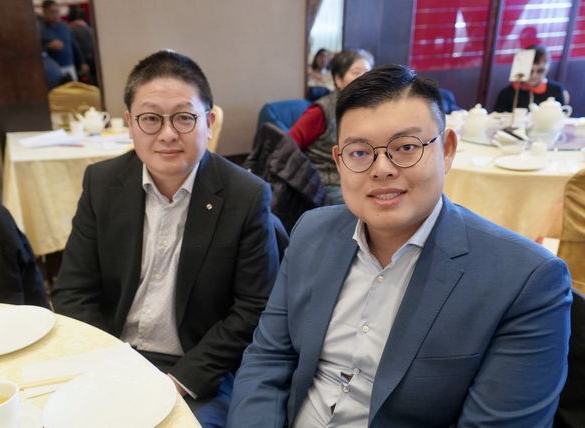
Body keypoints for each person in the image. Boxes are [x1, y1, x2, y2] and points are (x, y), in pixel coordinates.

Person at [228, 64, 572, 427]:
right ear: (339, 162)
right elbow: (269, 357)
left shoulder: (526, 281)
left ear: (447, 149)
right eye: (359, 153)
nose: (382, 169)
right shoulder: (311, 231)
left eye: (406, 147)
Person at [52, 50, 283, 423]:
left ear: (208, 122)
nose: (168, 134)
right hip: (110, 355)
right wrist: (109, 365)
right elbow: (73, 290)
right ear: (130, 124)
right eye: (150, 119)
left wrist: (178, 382)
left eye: (184, 117)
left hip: (195, 369)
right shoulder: (101, 183)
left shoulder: (246, 196)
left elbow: (254, 308)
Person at [289, 49, 374, 204]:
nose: (364, 78)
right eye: (356, 73)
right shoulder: (321, 110)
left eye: (368, 72)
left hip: (363, 176)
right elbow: (288, 145)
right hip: (329, 183)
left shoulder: (372, 108)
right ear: (338, 79)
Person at [493, 44, 570, 112]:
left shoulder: (556, 90)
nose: (534, 76)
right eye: (530, 71)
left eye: (540, 71)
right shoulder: (507, 93)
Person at [39, 0, 89, 81]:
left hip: (69, 67)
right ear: (44, 13)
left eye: (57, 12)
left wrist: (82, 62)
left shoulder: (64, 26)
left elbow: (74, 45)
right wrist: (49, 47)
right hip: (52, 71)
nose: (55, 15)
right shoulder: (39, 29)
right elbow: (35, 51)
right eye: (52, 12)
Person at [67, 5, 97, 85]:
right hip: (93, 61)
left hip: (82, 63)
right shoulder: (88, 28)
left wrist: (82, 62)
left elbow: (77, 49)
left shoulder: (72, 30)